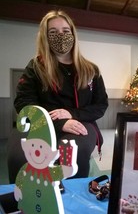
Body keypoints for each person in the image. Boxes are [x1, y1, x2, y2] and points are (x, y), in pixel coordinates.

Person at [7, 10, 108, 183]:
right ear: (45, 37)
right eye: (53, 32)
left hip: (79, 123)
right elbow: (23, 102)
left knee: (71, 154)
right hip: (40, 123)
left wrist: (72, 115)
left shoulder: (91, 70)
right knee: (19, 156)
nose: (60, 36)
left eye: (65, 31)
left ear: (73, 34)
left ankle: (71, 201)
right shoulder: (36, 67)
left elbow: (100, 105)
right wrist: (59, 122)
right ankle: (23, 201)